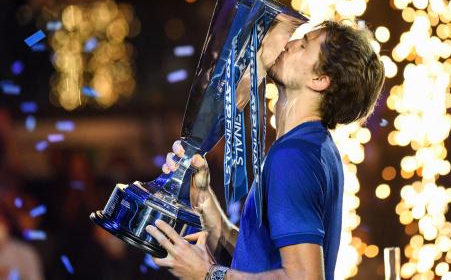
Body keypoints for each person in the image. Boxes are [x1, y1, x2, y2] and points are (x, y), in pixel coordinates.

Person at [145, 20, 385, 280]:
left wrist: (207, 274)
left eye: (303, 45)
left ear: (319, 80)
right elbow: (258, 260)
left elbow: (304, 278)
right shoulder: (312, 146)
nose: (290, 44)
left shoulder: (293, 157)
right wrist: (203, 200)